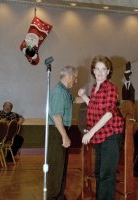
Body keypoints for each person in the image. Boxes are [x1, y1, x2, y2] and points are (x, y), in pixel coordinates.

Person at [78, 55, 124, 200]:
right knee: (99, 173)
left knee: (106, 174)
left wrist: (90, 133)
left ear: (108, 71)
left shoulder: (111, 88)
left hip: (111, 134)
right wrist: (85, 96)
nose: (100, 72)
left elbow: (109, 114)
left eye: (103, 69)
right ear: (93, 70)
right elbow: (94, 106)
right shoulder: (95, 88)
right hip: (100, 135)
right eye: (97, 69)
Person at [47, 65, 83, 200]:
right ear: (68, 76)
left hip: (60, 131)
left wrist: (88, 97)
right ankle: (52, 196)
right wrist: (64, 136)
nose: (76, 80)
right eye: (75, 77)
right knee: (56, 167)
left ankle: (60, 195)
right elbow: (57, 116)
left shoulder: (65, 92)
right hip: (57, 132)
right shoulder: (58, 92)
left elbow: (76, 100)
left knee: (61, 166)